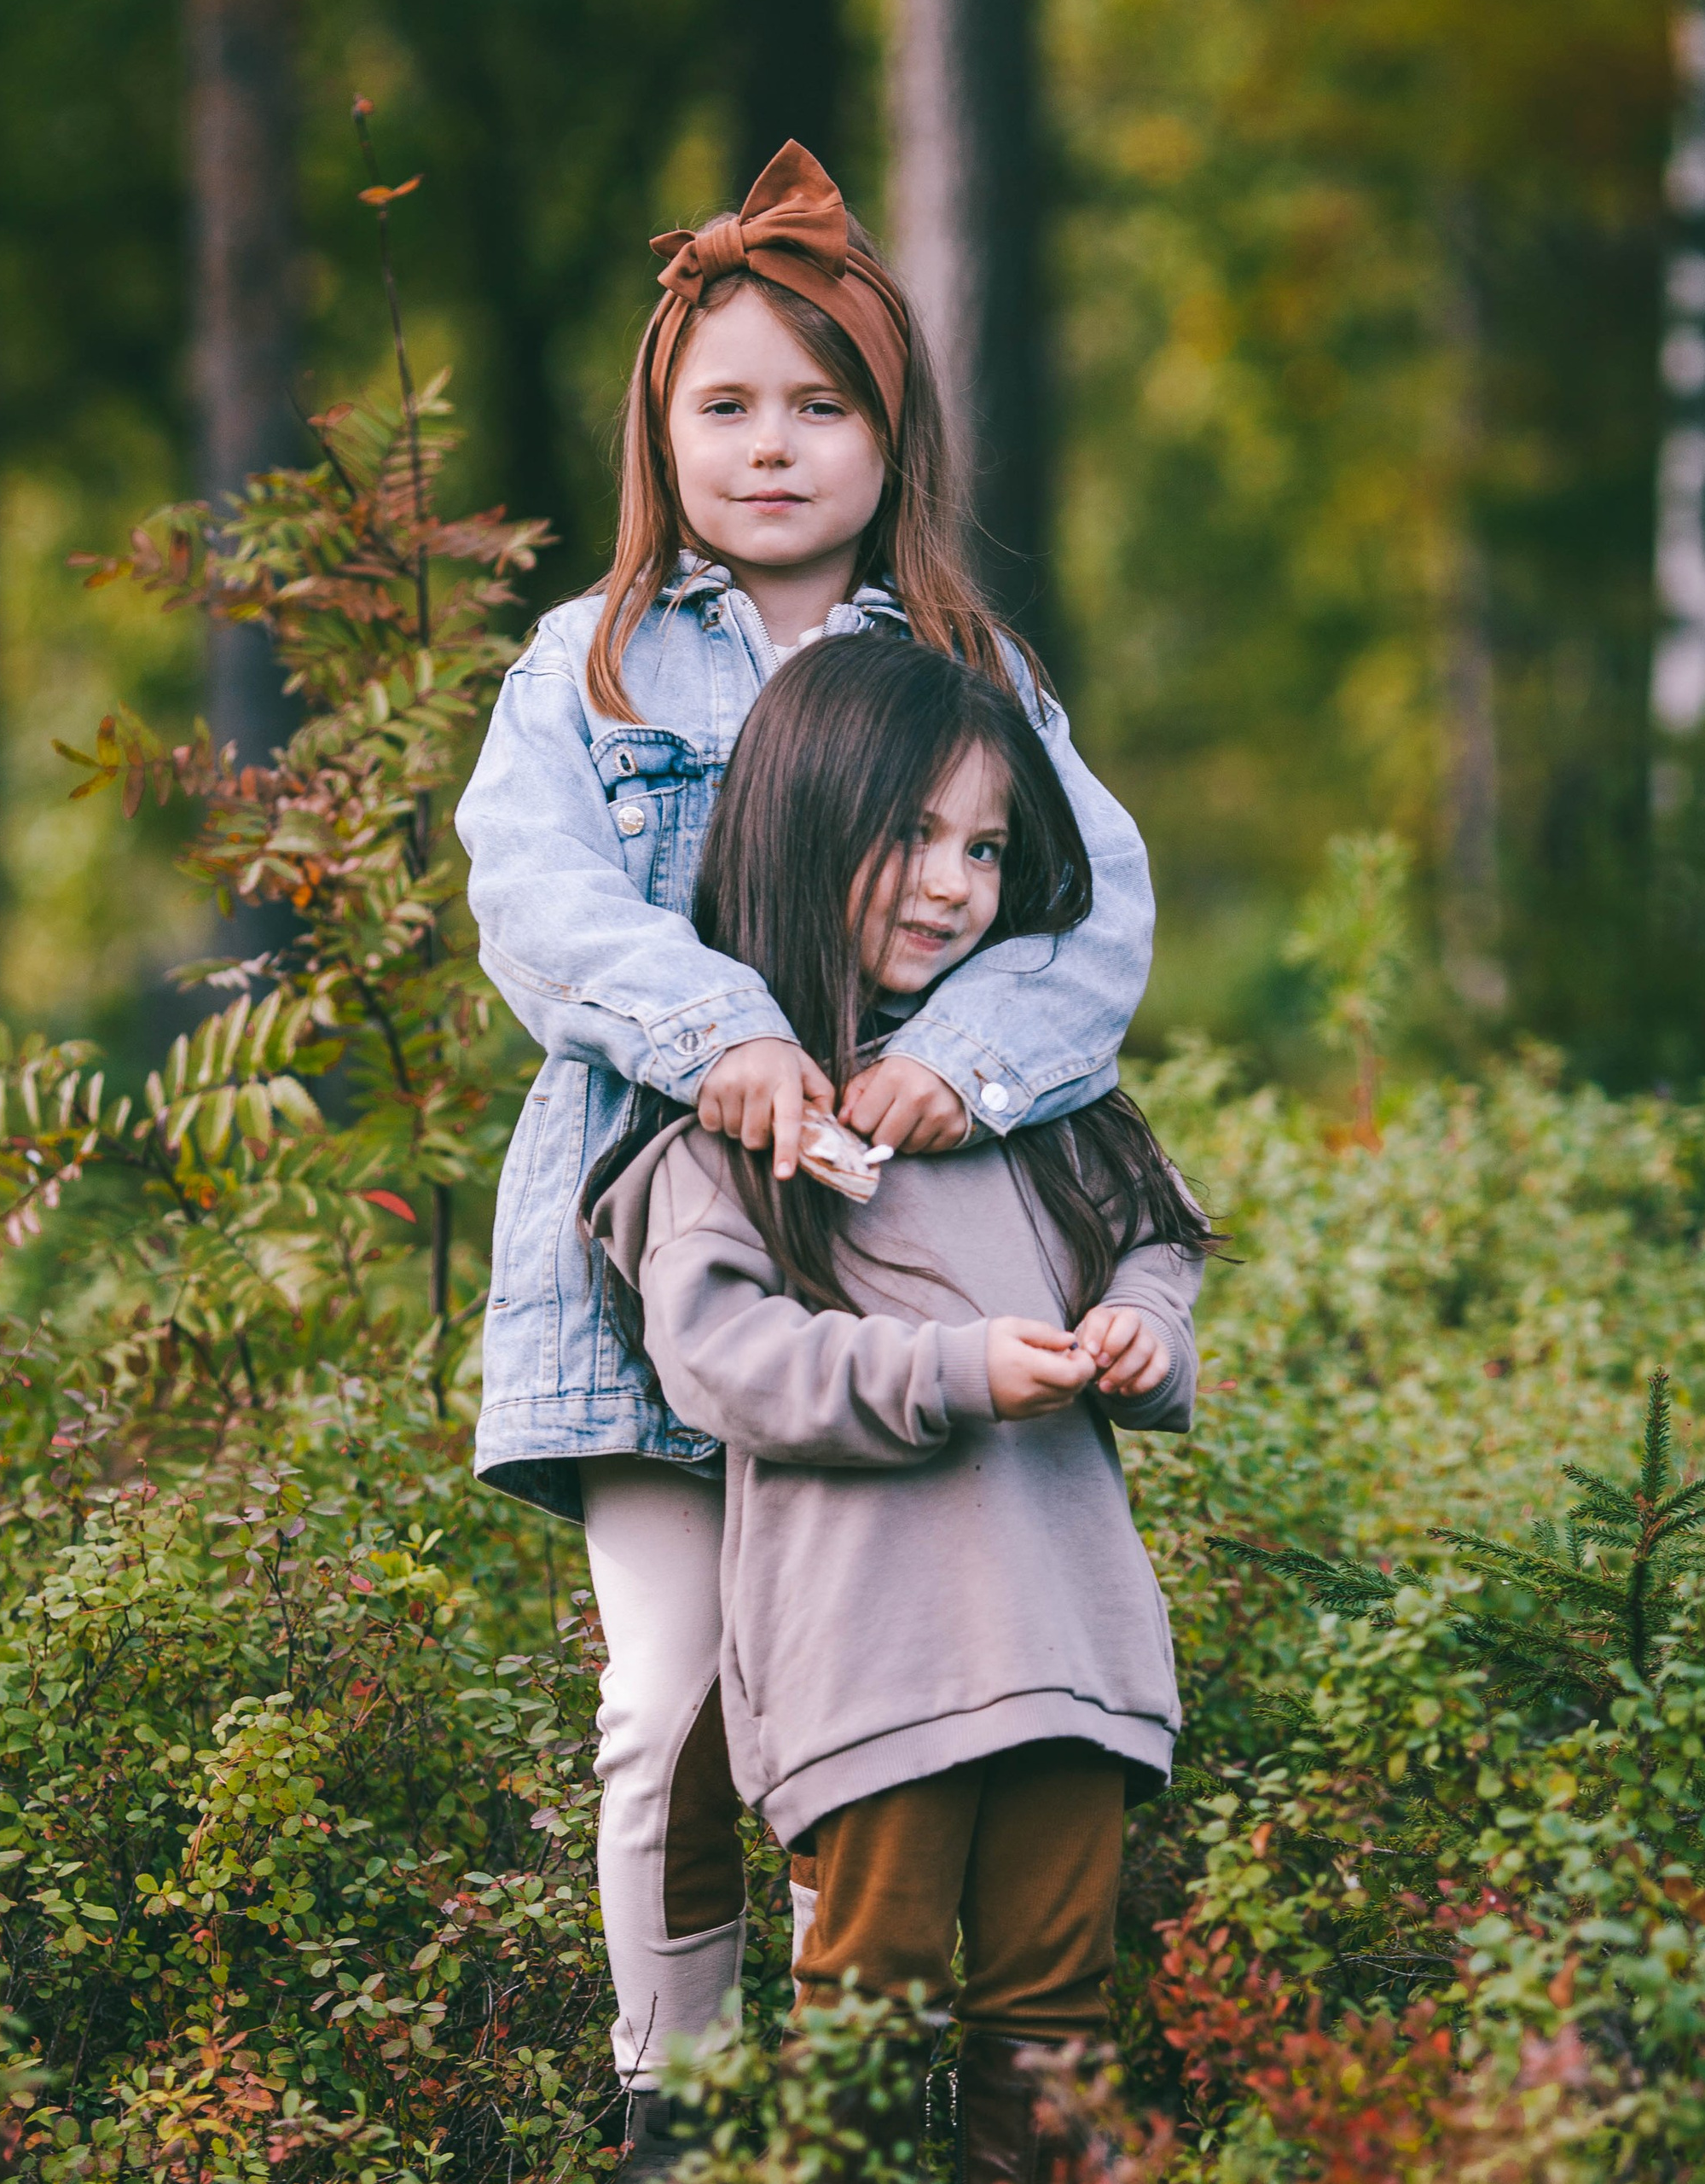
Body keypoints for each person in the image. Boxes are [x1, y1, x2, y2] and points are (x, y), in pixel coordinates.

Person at [454, 140, 1157, 2169]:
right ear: (659, 430)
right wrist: (728, 1033)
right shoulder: (588, 664)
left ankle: (869, 2091)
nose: (771, 446)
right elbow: (534, 899)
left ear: (889, 434)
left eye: (821, 405)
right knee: (670, 1696)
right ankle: (679, 2102)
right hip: (654, 1252)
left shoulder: (970, 668)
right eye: (726, 406)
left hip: (900, 1260)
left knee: (874, 1697)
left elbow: (1087, 912)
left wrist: (960, 1064)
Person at [586, 635, 1212, 2181]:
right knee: (866, 2014)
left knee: (1056, 2022)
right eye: (913, 834)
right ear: (801, 830)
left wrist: (1139, 1331)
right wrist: (955, 1371)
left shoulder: (1030, 1101)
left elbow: (1158, 1239)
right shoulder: (730, 1138)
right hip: (873, 1663)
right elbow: (724, 1361)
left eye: (986, 848)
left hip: (1068, 1641)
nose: (954, 885)